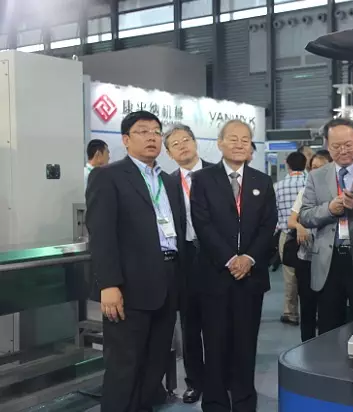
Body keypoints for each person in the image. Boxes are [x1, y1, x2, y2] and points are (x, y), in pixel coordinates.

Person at [86, 110, 186, 412]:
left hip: (168, 279)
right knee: (124, 366)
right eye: (143, 131)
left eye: (156, 131)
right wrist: (109, 284)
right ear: (126, 140)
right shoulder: (108, 176)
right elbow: (102, 234)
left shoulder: (168, 181)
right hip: (129, 286)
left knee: (154, 364)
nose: (152, 137)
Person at [191, 119, 277, 412]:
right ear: (220, 143)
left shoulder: (262, 181)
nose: (240, 144)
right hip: (215, 275)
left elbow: (268, 225)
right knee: (214, 343)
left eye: (245, 139)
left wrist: (249, 258)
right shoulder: (203, 180)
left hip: (250, 277)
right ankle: (215, 402)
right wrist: (230, 259)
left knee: (245, 344)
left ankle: (244, 401)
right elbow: (202, 224)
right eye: (233, 139)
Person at [164, 124, 214, 404]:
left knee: (219, 323)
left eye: (186, 140)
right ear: (169, 154)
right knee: (190, 326)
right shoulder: (167, 184)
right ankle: (194, 382)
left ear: (196, 143)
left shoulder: (218, 175)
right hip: (185, 259)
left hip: (217, 257)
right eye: (175, 144)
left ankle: (220, 379)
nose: (182, 145)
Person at [299, 118, 353, 334]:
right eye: (336, 146)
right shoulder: (317, 176)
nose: (343, 150)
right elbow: (305, 215)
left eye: (348, 144)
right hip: (329, 260)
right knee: (328, 325)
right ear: (326, 144)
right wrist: (329, 209)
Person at [287, 150, 332, 341]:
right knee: (307, 306)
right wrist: (300, 227)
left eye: (321, 167)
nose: (317, 172)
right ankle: (306, 346)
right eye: (313, 168)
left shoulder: (337, 193)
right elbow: (291, 220)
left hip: (329, 259)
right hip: (306, 257)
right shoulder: (304, 192)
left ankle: (326, 346)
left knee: (328, 309)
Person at [274, 151, 307, 326]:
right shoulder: (310, 184)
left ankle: (291, 313)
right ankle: (312, 310)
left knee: (290, 275)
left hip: (287, 235)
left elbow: (273, 212)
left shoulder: (278, 186)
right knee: (311, 273)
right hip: (310, 234)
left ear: (287, 165)